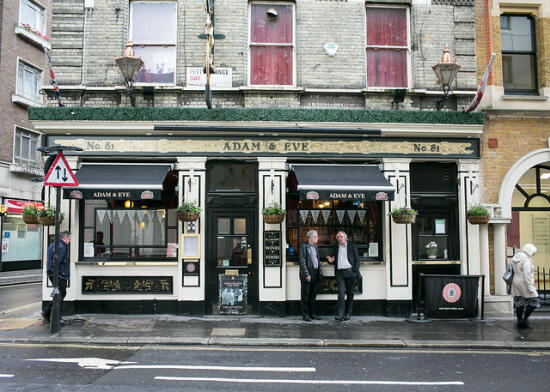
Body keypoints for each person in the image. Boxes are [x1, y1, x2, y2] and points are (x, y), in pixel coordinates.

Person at [327, 231, 361, 321]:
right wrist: (331, 261)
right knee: (341, 293)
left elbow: (357, 260)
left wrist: (355, 271)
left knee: (350, 293)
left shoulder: (352, 246)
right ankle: (340, 315)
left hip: (350, 272)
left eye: (341, 236)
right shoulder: (336, 247)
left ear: (345, 238)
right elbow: (333, 259)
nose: (339, 238)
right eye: (337, 237)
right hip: (340, 273)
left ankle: (348, 314)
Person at [41, 231, 71, 325]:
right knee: (60, 295)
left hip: (53, 273)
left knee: (59, 294)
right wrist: (60, 273)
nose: (69, 241)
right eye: (69, 238)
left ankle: (48, 313)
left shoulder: (53, 244)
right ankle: (56, 317)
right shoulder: (61, 247)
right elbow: (56, 262)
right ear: (64, 238)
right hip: (58, 275)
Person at [511, 243, 540, 329]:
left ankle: (519, 322)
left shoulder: (516, 258)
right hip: (524, 283)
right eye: (533, 253)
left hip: (516, 282)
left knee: (520, 301)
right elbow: (527, 274)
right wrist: (530, 287)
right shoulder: (526, 260)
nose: (533, 254)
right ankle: (524, 320)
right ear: (529, 251)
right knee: (535, 300)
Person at [299, 230, 322, 322]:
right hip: (308, 273)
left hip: (315, 272)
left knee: (313, 295)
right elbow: (302, 261)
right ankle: (305, 315)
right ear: (311, 237)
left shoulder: (315, 246)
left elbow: (317, 260)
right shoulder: (303, 246)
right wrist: (306, 274)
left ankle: (312, 314)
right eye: (316, 236)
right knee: (305, 295)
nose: (318, 238)